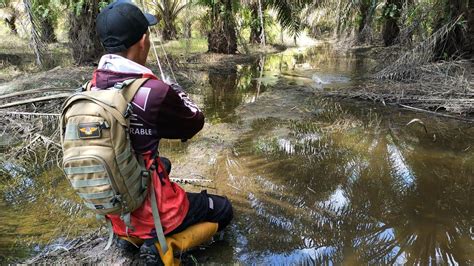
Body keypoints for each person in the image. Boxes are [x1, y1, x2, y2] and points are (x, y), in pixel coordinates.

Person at [92, 0, 233, 263]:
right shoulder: (153, 92)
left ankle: (128, 235)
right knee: (224, 210)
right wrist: (176, 91)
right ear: (143, 40)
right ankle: (163, 245)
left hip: (113, 204)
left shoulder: (90, 87)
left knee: (163, 163)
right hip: (149, 210)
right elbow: (193, 123)